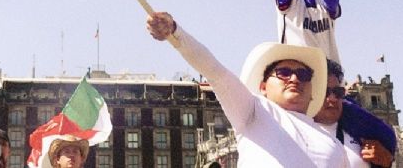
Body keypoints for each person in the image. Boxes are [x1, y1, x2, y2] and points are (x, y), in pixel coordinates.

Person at [147, 11, 346, 167]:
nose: (294, 78)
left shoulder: (335, 146)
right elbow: (215, 72)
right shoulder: (253, 111)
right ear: (263, 87)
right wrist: (175, 31)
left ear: (313, 92)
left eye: (303, 75)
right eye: (284, 72)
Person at [313, 60, 395, 167]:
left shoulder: (364, 132)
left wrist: (386, 162)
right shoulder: (299, 132)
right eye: (325, 92)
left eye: (338, 92)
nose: (333, 98)